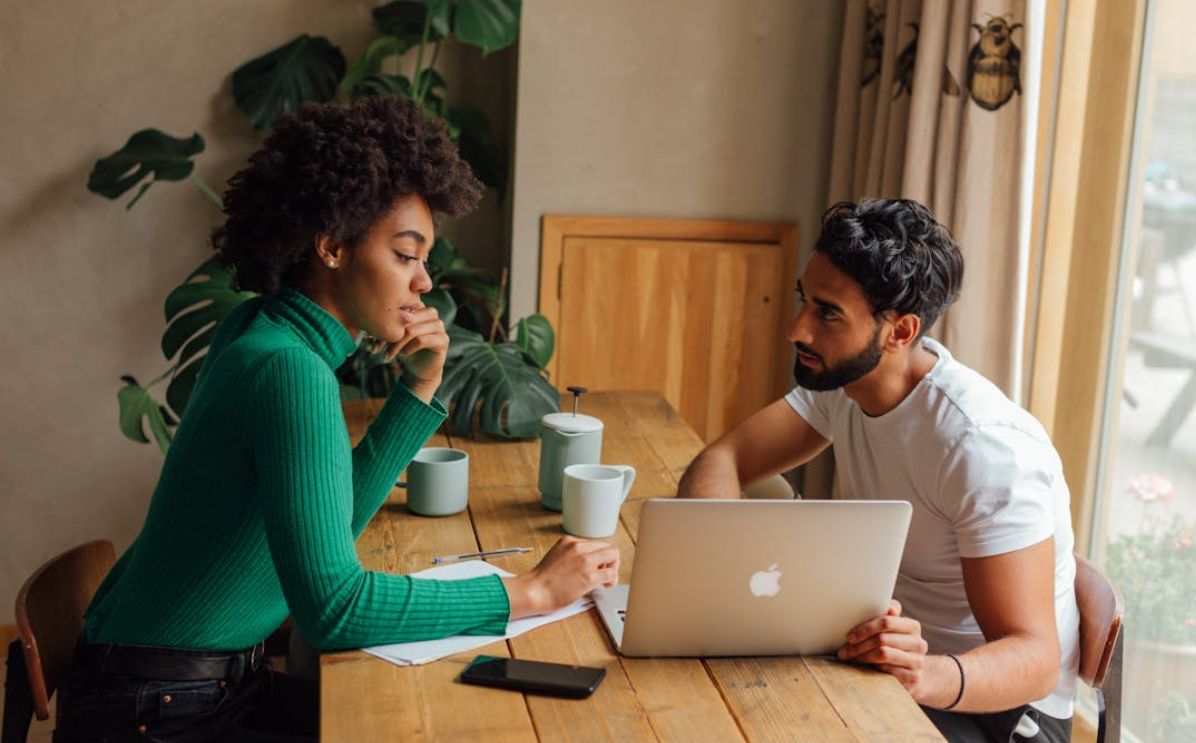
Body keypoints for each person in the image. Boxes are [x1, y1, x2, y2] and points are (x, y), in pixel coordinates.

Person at [55, 97, 619, 743]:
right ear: (330, 245)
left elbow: (334, 521)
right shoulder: (288, 369)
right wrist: (534, 592)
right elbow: (334, 609)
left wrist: (422, 383)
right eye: (406, 255)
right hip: (158, 709)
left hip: (177, 684)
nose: (423, 282)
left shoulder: (263, 330)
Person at [678, 199, 1078, 743]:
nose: (797, 329)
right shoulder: (848, 387)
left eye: (827, 313)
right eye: (804, 299)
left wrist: (924, 675)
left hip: (996, 713)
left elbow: (1034, 661)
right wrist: (717, 552)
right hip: (879, 667)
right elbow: (723, 458)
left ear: (900, 332)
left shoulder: (982, 447)